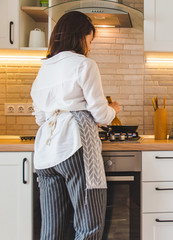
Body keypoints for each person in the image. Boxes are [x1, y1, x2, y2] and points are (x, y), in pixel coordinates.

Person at [31, 11, 120, 240]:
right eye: (90, 40)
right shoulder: (84, 64)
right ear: (80, 37)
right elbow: (100, 113)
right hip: (74, 146)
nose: (90, 47)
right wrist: (115, 110)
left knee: (53, 231)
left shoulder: (43, 69)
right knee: (88, 227)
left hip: (45, 154)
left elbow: (41, 119)